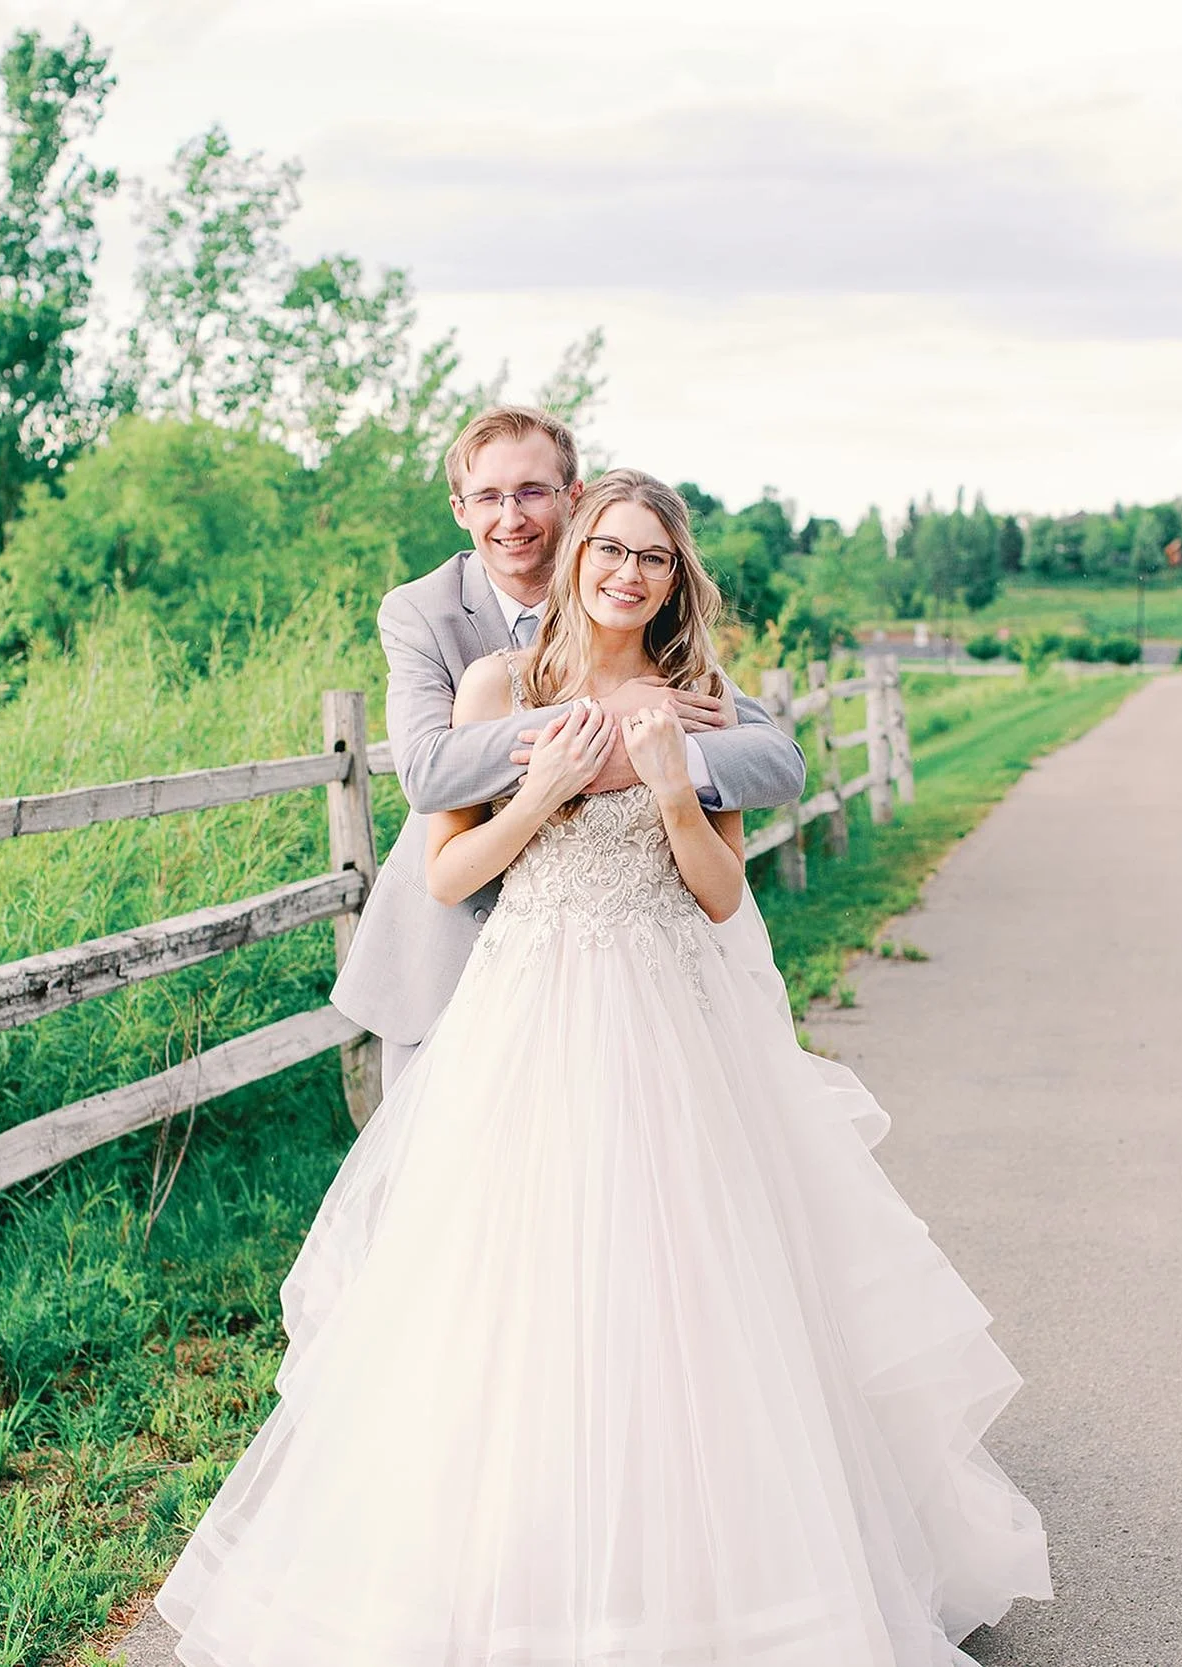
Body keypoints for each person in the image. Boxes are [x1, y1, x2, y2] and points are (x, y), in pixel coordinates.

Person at [154, 469, 1052, 1666]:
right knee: (509, 1288)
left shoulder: (702, 699)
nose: (628, 574)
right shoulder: (501, 686)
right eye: (610, 550)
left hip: (667, 1016)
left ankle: (711, 1591)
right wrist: (545, 788)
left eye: (655, 558)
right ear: (575, 557)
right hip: (527, 1009)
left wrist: (679, 790)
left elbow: (724, 891)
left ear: (678, 577)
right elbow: (448, 875)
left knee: (687, 1281)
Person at [328, 405, 806, 1094]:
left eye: (531, 492)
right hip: (450, 953)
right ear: (460, 508)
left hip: (637, 977)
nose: (511, 517)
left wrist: (671, 768)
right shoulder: (423, 614)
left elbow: (773, 758)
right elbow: (429, 773)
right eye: (489, 496)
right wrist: (607, 717)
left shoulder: (634, 604)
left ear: (572, 499)